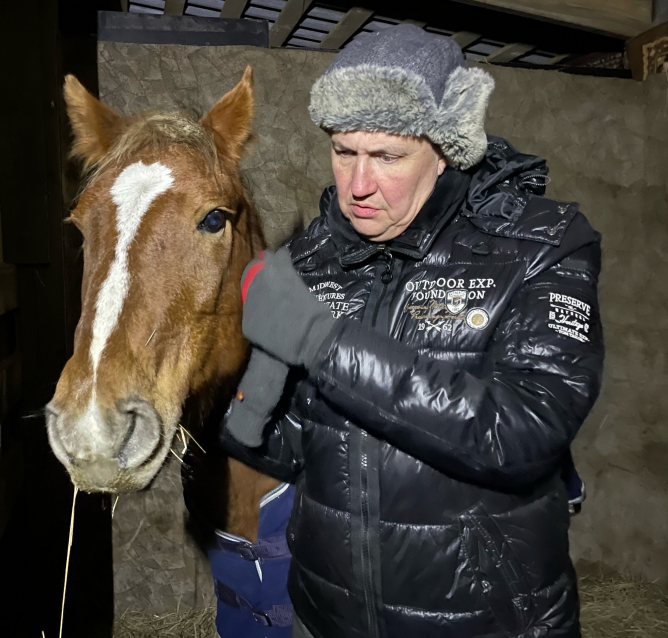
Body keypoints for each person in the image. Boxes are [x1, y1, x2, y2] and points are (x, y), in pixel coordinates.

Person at [221, 23, 603, 638]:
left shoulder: (542, 244)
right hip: (330, 614)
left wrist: (323, 342)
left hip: (486, 622)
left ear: (449, 147)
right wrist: (249, 392)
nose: (359, 185)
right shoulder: (315, 259)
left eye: (388, 156)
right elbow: (293, 454)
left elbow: (527, 433)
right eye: (344, 152)